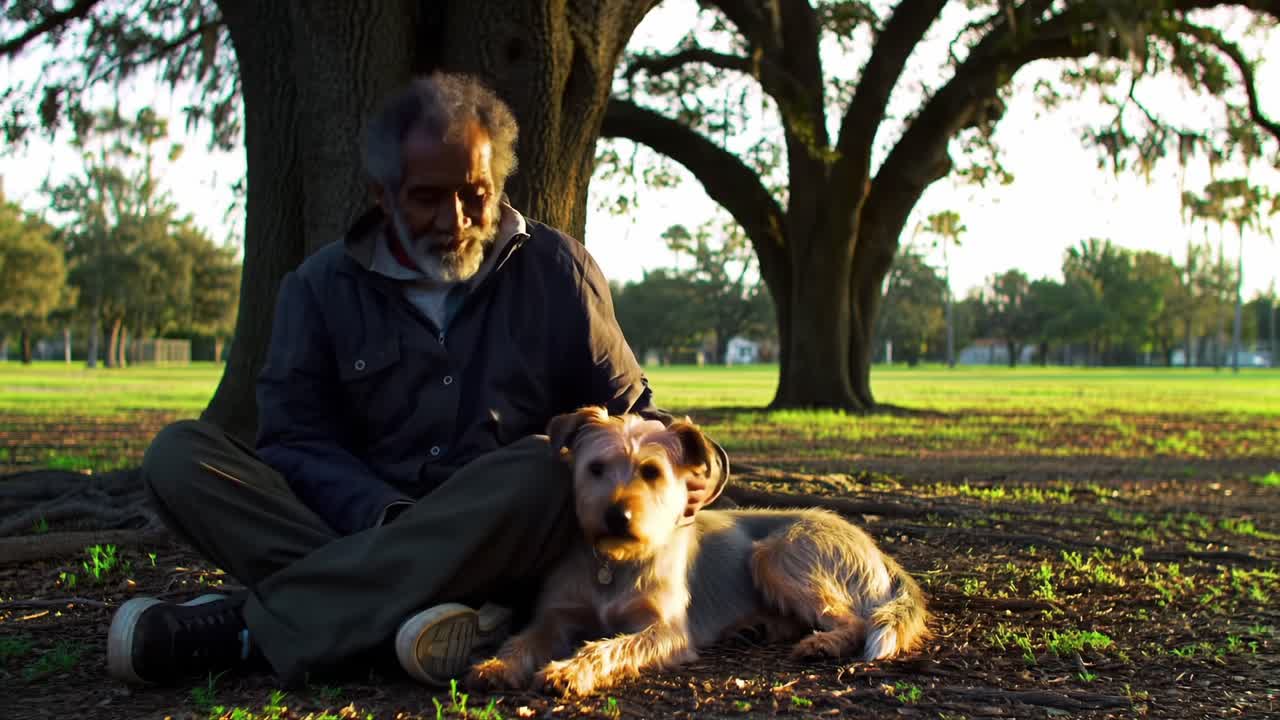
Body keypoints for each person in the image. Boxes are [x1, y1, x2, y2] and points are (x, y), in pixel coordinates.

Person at [106, 72, 729, 689]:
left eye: (475, 193)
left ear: (497, 183)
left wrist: (708, 468)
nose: (455, 218)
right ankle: (439, 622)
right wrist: (388, 517)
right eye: (428, 197)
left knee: (543, 468)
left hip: (509, 539)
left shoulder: (558, 268)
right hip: (354, 525)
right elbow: (294, 443)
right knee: (180, 457)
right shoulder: (317, 289)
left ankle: (249, 631)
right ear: (383, 194)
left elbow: (636, 416)